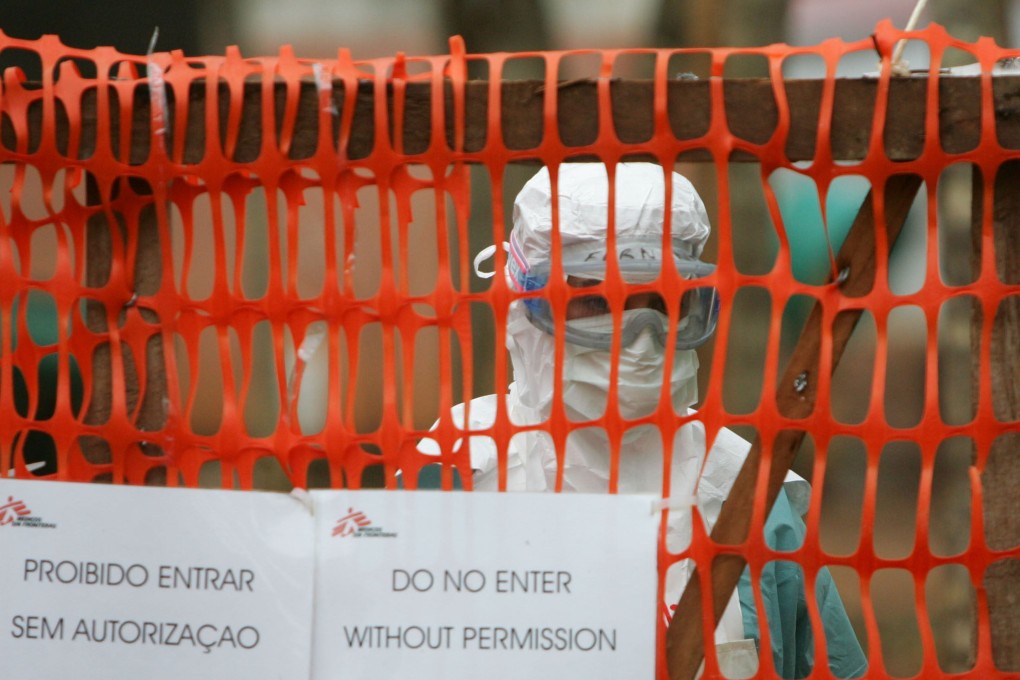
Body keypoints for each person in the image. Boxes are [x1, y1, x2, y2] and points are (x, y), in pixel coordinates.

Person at [419, 162, 867, 678]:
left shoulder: (749, 496)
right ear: (528, 307)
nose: (639, 338)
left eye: (662, 303)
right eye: (598, 302)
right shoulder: (457, 471)